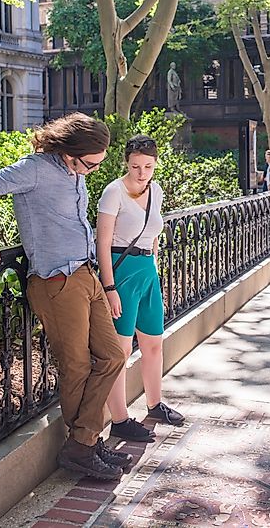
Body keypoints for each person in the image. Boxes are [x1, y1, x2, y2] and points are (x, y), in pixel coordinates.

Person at [0, 113, 130, 480]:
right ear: (70, 151)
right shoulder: (35, 169)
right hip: (56, 281)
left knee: (114, 354)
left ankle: (83, 440)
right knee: (77, 366)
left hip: (86, 274)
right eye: (89, 163)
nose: (91, 170)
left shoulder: (75, 172)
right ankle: (84, 446)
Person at [96, 135, 185, 442]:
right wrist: (109, 287)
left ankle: (154, 403)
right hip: (122, 275)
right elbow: (102, 244)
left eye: (148, 166)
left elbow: (154, 233)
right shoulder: (113, 193)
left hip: (148, 272)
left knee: (154, 343)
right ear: (127, 163)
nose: (142, 172)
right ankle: (120, 419)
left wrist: (155, 266)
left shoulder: (156, 191)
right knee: (120, 351)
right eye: (135, 166)